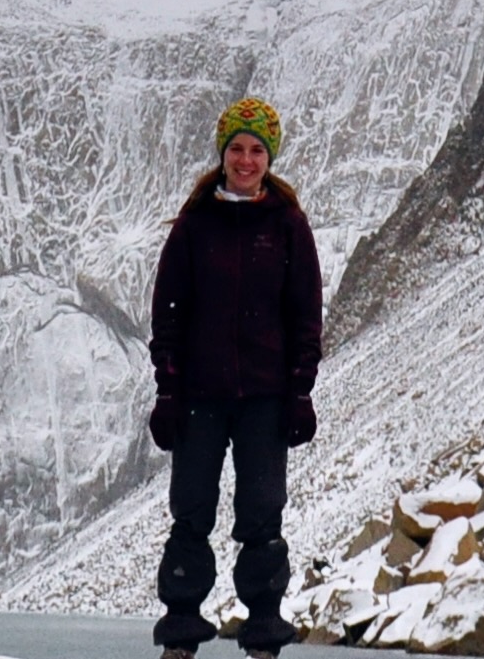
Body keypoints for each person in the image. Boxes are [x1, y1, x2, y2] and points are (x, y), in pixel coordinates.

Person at [146, 94, 323, 655]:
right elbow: (168, 311)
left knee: (262, 513)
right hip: (200, 395)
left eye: (256, 150)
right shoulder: (196, 227)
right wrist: (168, 390)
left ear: (269, 157)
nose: (245, 160)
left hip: (266, 398)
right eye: (236, 149)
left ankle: (264, 631)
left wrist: (299, 392)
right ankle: (180, 631)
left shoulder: (289, 226)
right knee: (191, 510)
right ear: (222, 154)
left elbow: (305, 316)